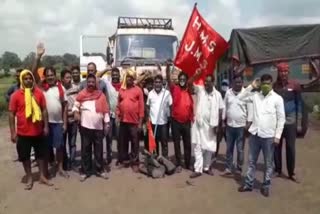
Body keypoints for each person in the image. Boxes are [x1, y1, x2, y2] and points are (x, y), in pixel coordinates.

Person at [238, 74, 285, 197]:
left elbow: (281, 119)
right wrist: (251, 86)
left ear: (272, 84)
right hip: (255, 134)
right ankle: (248, 184)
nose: (265, 85)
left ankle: (266, 186)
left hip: (269, 137)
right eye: (263, 83)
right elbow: (240, 97)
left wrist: (277, 136)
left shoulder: (277, 99)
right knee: (251, 161)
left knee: (268, 163)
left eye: (268, 83)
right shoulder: (255, 96)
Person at [9, 70, 53, 190]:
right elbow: (11, 114)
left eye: (30, 78)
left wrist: (45, 126)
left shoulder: (39, 93)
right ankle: (29, 177)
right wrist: (13, 132)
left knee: (41, 156)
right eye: (25, 78)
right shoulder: (16, 95)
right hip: (23, 133)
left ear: (33, 79)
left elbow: (44, 110)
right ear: (22, 80)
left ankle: (42, 176)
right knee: (25, 157)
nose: (28, 80)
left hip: (38, 131)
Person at [73, 74, 110, 181]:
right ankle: (85, 171)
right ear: (86, 83)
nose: (90, 84)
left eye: (92, 82)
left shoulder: (101, 95)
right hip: (85, 127)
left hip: (98, 128)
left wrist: (107, 123)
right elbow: (75, 105)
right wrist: (76, 113)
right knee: (86, 150)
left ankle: (100, 170)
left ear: (96, 83)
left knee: (98, 150)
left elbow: (105, 111)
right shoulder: (81, 94)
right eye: (89, 82)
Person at [189, 71, 224, 178]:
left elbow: (220, 110)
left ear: (213, 83)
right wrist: (197, 75)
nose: (206, 84)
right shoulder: (200, 90)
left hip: (211, 126)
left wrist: (218, 125)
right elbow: (189, 83)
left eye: (209, 82)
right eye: (205, 82)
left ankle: (206, 167)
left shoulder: (217, 95)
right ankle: (198, 169)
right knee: (198, 147)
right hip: (199, 125)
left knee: (209, 147)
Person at [273, 62, 303, 183]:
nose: (283, 73)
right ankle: (278, 170)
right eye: (281, 71)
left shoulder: (295, 85)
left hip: (290, 121)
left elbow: (299, 103)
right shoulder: (275, 86)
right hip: (277, 122)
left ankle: (291, 173)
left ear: (288, 72)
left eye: (285, 71)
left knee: (290, 148)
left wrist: (299, 122)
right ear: (278, 73)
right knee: (276, 147)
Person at [166, 61, 194, 173]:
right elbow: (168, 80)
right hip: (175, 121)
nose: (182, 81)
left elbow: (192, 80)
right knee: (177, 143)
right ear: (179, 80)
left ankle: (187, 163)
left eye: (184, 79)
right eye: (180, 79)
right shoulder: (175, 89)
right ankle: (178, 163)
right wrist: (168, 68)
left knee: (187, 143)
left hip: (187, 121)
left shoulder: (189, 89)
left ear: (186, 80)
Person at [42, 67, 69, 178]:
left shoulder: (60, 88)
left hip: (58, 122)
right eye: (48, 75)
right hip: (45, 123)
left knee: (59, 147)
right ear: (45, 77)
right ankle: (46, 170)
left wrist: (65, 123)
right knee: (46, 147)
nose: (50, 77)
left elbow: (65, 106)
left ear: (55, 75)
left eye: (52, 75)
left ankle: (60, 168)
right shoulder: (42, 88)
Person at [116, 68, 144, 172]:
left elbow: (141, 107)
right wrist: (118, 116)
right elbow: (118, 105)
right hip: (123, 121)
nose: (129, 79)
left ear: (133, 79)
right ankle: (125, 161)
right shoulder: (122, 90)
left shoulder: (138, 90)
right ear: (125, 78)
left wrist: (140, 122)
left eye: (131, 78)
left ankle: (135, 162)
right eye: (128, 77)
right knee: (123, 142)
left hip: (134, 122)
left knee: (135, 142)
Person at [223, 75, 252, 175]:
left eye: (240, 82)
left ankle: (239, 167)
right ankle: (228, 168)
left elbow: (250, 110)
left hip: (241, 127)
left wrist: (248, 124)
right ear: (232, 83)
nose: (238, 84)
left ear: (242, 83)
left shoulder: (246, 93)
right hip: (230, 125)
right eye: (236, 82)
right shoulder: (228, 93)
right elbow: (225, 107)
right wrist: (223, 121)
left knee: (240, 149)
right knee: (229, 148)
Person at [146, 75, 172, 158]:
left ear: (162, 83)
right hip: (153, 122)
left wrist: (170, 117)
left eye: (159, 82)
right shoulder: (150, 94)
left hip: (163, 122)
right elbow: (147, 106)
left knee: (164, 142)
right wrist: (147, 118)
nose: (157, 84)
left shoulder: (166, 93)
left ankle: (165, 159)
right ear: (154, 83)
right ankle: (156, 159)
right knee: (155, 142)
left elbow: (171, 106)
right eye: (156, 82)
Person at [101, 67, 121, 167]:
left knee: (119, 137)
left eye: (117, 74)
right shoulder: (107, 83)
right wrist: (106, 69)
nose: (115, 76)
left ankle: (119, 157)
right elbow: (97, 76)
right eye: (113, 74)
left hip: (119, 116)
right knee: (108, 137)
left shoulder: (123, 85)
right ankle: (108, 156)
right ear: (111, 75)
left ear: (119, 75)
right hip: (109, 115)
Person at [61, 69, 79, 171]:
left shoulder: (76, 88)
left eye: (70, 77)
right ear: (62, 79)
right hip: (63, 121)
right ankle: (64, 163)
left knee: (72, 143)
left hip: (73, 120)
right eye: (67, 77)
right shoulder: (59, 89)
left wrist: (74, 112)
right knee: (62, 144)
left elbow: (78, 102)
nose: (69, 79)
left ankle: (72, 163)